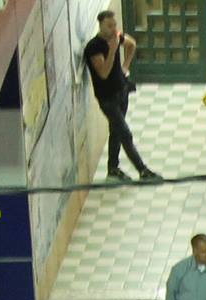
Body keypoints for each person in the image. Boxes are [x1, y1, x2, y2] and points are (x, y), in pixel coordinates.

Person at [83, 11, 156, 181]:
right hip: (107, 99)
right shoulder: (94, 47)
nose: (113, 29)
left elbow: (131, 44)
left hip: (121, 91)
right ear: (101, 26)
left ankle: (113, 169)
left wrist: (125, 66)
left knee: (115, 132)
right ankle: (142, 170)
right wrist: (112, 50)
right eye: (109, 26)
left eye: (114, 25)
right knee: (125, 134)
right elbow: (103, 73)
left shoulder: (115, 37)